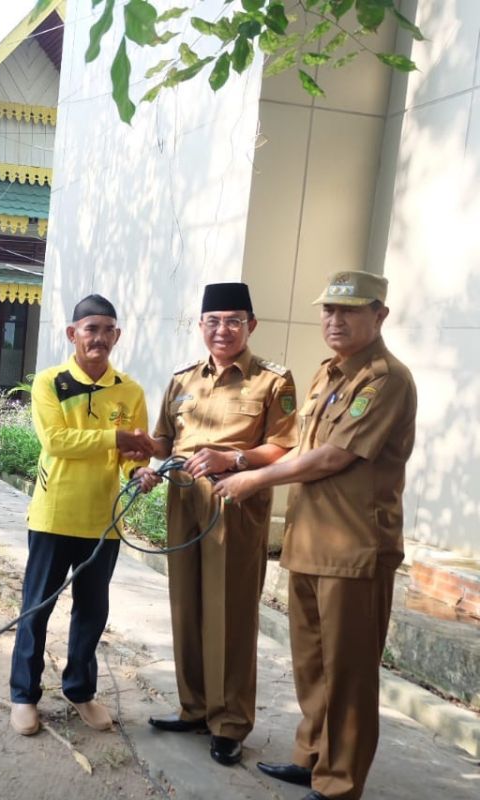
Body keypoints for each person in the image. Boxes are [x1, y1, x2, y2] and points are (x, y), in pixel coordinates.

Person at [214, 271, 415, 800]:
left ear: (380, 316)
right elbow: (306, 448)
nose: (335, 320)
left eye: (349, 311)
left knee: (348, 673)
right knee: (312, 666)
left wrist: (253, 477)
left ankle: (340, 784)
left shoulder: (386, 380)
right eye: (328, 310)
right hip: (309, 543)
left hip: (354, 549)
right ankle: (312, 759)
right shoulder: (329, 374)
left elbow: (333, 456)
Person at [139, 282, 298, 767]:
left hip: (235, 504)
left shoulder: (273, 381)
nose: (222, 330)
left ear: (250, 325)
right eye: (213, 321)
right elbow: (165, 442)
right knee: (186, 603)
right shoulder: (183, 380)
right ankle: (194, 707)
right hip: (183, 501)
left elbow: (285, 446)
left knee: (229, 613)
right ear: (201, 325)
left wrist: (234, 457)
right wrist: (147, 463)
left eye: (233, 320)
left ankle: (229, 722)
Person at [8, 295, 153, 737]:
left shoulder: (129, 391)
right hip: (53, 515)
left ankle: (80, 690)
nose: (100, 338)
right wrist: (119, 437)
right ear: (73, 334)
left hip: (103, 521)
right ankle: (23, 696)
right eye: (91, 329)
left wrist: (140, 471)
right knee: (37, 608)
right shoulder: (50, 383)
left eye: (108, 329)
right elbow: (56, 441)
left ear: (117, 336)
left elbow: (135, 452)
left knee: (92, 611)